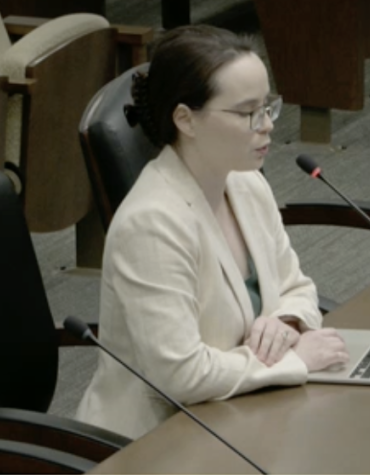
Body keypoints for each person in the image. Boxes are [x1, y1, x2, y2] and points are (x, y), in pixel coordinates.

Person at [76, 25, 350, 438]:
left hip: (241, 414)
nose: (267, 125)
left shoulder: (245, 182)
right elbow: (181, 375)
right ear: (185, 119)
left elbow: (296, 286)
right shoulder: (151, 224)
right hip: (160, 441)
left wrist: (287, 322)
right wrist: (295, 361)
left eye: (268, 107)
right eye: (247, 113)